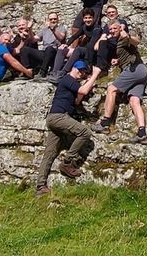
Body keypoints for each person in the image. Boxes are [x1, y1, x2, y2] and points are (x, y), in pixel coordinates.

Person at [34, 60, 93, 196]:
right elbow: (83, 90)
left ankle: (40, 187)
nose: (82, 73)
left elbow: (78, 99)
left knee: (49, 154)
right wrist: (95, 75)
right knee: (85, 132)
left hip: (53, 119)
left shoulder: (71, 83)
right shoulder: (67, 79)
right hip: (59, 117)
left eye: (84, 72)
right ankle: (67, 162)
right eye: (81, 70)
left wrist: (87, 82)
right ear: (74, 69)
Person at [90, 25, 147, 144]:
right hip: (142, 73)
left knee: (111, 89)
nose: (112, 31)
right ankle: (142, 133)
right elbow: (129, 53)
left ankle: (105, 123)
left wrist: (127, 35)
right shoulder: (118, 42)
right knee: (134, 101)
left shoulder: (124, 38)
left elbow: (136, 42)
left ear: (120, 29)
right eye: (110, 29)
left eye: (114, 29)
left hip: (134, 70)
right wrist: (118, 61)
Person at [51, 9, 102, 82]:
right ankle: (55, 72)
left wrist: (88, 64)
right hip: (85, 51)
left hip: (93, 53)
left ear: (93, 18)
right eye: (85, 18)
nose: (87, 20)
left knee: (78, 49)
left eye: (90, 18)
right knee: (61, 49)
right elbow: (74, 36)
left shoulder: (97, 29)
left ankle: (63, 73)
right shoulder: (84, 27)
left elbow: (91, 45)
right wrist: (66, 45)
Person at [36, 12, 67, 81]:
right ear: (48, 20)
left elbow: (61, 37)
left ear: (58, 20)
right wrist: (29, 30)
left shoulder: (61, 28)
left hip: (55, 53)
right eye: (51, 19)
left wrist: (53, 29)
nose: (53, 21)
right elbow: (34, 39)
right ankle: (27, 71)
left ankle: (43, 72)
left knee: (50, 48)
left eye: (55, 19)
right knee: (25, 50)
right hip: (45, 52)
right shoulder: (44, 30)